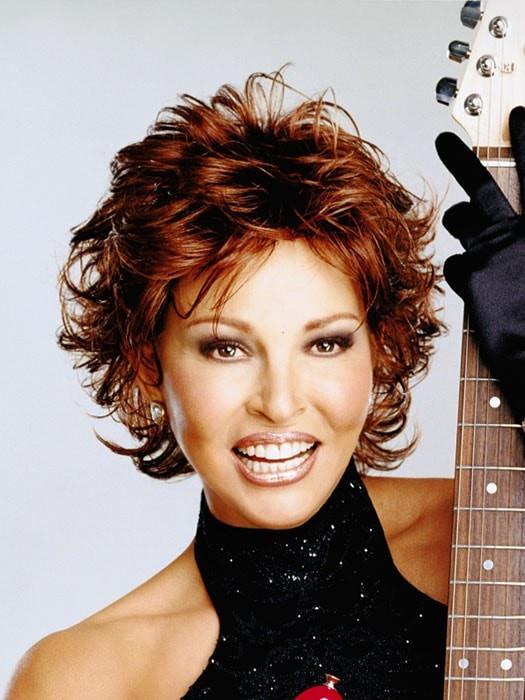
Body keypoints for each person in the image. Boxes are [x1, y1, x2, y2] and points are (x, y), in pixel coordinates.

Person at [6, 68, 524, 699]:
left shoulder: (499, 542)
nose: (279, 403)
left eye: (325, 344)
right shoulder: (82, 681)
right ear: (147, 364)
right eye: (226, 348)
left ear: (380, 347)